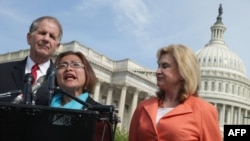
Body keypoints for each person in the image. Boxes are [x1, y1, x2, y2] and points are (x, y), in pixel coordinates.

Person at [129, 44, 222, 141]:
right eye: (158, 65)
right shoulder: (143, 107)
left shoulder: (204, 110)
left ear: (183, 72)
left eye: (165, 66)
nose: (157, 71)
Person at [51, 51, 114, 141]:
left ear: (87, 73)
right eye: (62, 65)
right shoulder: (41, 106)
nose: (68, 68)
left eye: (76, 64)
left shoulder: (100, 115)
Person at [0, 16, 62, 105]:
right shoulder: (2, 71)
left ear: (57, 46)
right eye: (42, 33)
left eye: (52, 36)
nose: (46, 39)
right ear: (29, 38)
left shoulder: (61, 81)